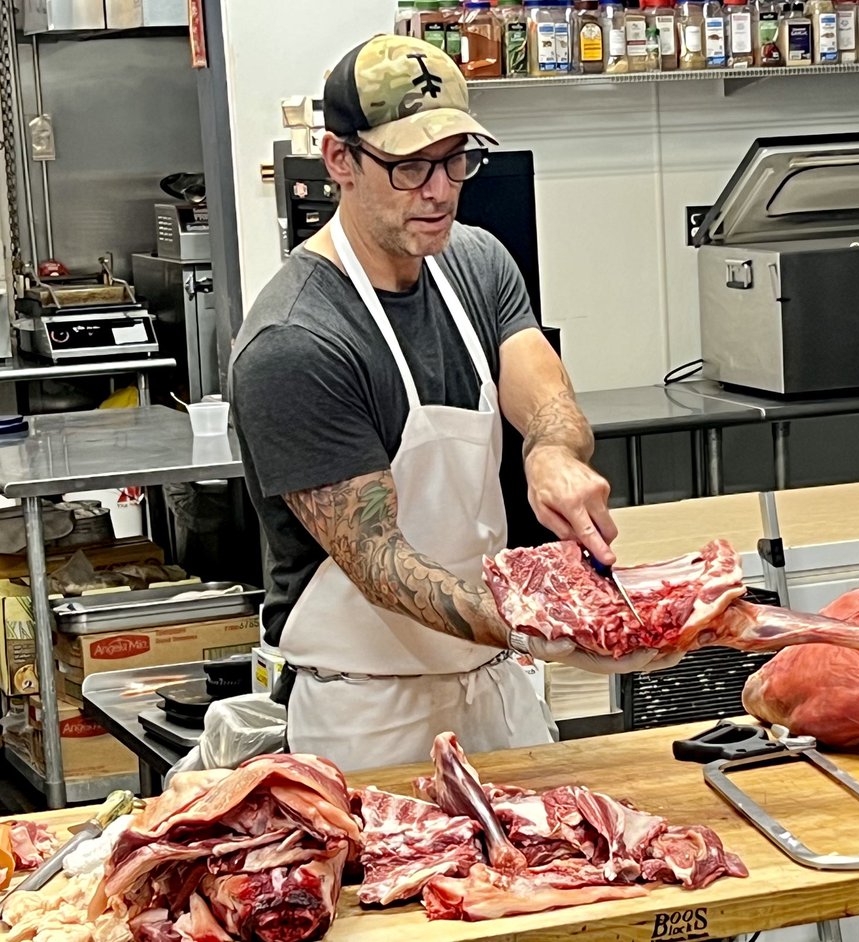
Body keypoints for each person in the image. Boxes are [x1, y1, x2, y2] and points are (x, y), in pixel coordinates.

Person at [230, 35, 679, 771]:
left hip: (496, 687)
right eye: (408, 166)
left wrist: (552, 455)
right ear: (339, 160)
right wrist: (560, 624)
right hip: (367, 716)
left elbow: (541, 388)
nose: (438, 190)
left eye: (454, 159)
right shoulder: (296, 340)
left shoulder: (474, 261)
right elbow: (378, 561)